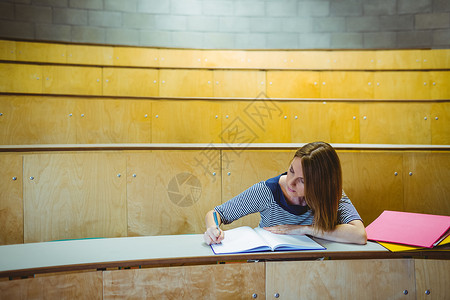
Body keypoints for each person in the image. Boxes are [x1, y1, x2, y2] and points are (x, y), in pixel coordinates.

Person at [203, 141, 367, 245]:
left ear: (321, 186)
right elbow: (217, 213)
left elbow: (359, 234)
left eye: (302, 181)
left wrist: (304, 229)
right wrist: (212, 228)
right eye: (291, 171)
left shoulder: (331, 195)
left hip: (313, 270)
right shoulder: (267, 191)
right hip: (268, 266)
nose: (291, 182)